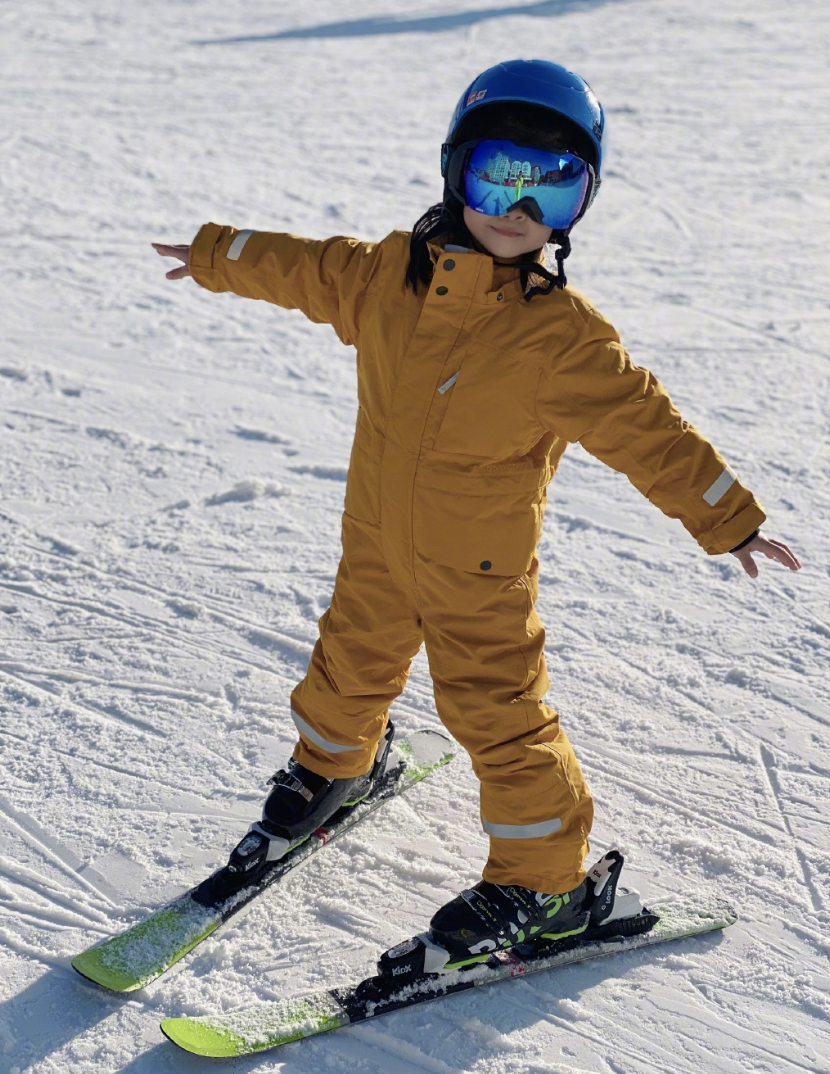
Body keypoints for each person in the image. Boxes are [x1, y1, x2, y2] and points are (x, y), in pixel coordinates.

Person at [153, 59, 800, 968]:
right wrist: (221, 256)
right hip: (377, 540)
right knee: (349, 658)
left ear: (580, 208)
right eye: (501, 174)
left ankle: (550, 885)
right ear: (459, 170)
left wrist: (725, 514)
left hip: (479, 572)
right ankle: (336, 766)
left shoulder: (561, 338)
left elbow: (645, 425)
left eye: (553, 191)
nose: (518, 211)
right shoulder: (387, 277)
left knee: (497, 712)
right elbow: (308, 268)